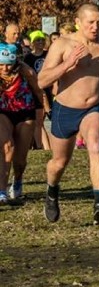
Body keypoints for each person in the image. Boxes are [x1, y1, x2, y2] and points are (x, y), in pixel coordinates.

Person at [37, 3, 99, 224]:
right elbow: (42, 80)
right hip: (65, 109)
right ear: (78, 22)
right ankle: (52, 191)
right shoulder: (63, 44)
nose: (95, 26)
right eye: (90, 22)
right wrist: (68, 64)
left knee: (95, 145)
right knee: (59, 162)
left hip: (94, 107)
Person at [0, 45, 47, 203]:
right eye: (1, 64)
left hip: (25, 112)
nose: (5, 68)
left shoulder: (26, 72)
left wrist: (43, 109)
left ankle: (18, 180)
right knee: (7, 147)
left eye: (8, 64)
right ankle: (2, 190)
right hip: (3, 112)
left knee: (20, 160)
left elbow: (39, 91)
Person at [24, 30, 49, 150]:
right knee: (37, 122)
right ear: (32, 43)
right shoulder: (28, 58)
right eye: (37, 40)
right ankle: (38, 145)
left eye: (42, 40)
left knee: (41, 121)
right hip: (34, 90)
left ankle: (42, 146)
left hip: (47, 89)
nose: (40, 42)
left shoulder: (48, 54)